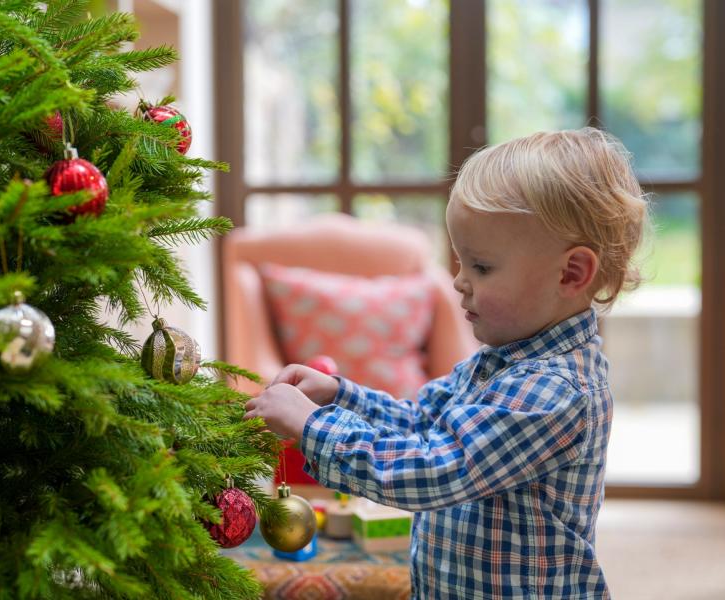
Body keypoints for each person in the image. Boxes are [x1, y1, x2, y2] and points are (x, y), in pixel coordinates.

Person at [243, 127, 649, 599]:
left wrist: (313, 427)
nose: (459, 282)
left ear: (570, 273)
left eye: (481, 267)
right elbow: (421, 422)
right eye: (460, 262)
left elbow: (435, 468)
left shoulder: (553, 392)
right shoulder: (501, 362)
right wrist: (340, 396)